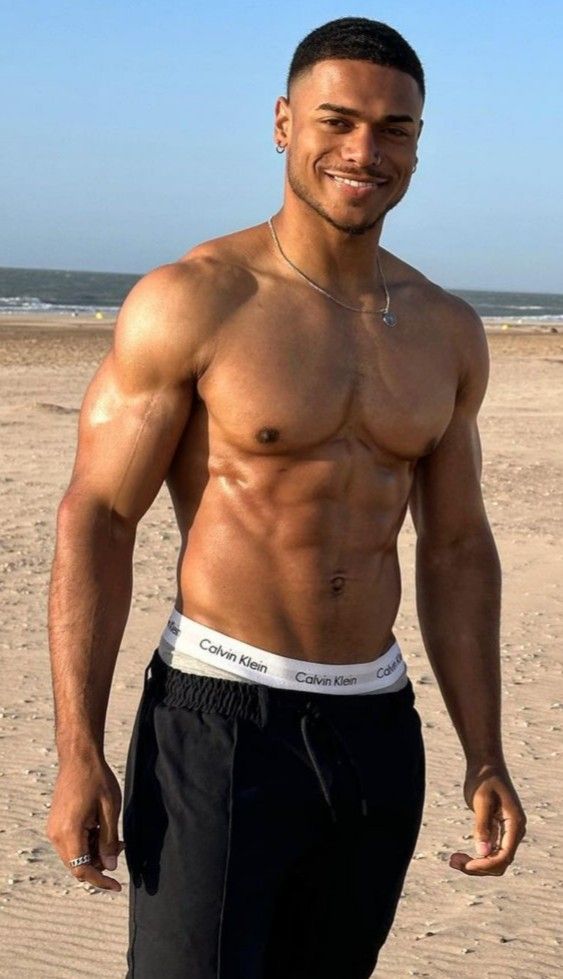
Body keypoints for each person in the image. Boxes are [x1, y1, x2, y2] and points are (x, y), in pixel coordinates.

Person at [46, 16, 526, 979]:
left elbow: (455, 549)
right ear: (281, 123)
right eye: (336, 120)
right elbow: (97, 515)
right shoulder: (195, 298)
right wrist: (79, 749)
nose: (363, 151)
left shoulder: (445, 329)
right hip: (220, 719)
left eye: (394, 129)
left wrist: (485, 748)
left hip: (375, 726)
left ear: (418, 143)